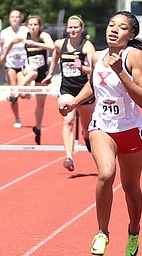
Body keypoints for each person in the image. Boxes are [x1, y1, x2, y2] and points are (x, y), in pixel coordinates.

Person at [59, 10, 142, 256]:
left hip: (130, 128)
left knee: (131, 187)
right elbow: (93, 85)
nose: (113, 29)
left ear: (131, 34)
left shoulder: (135, 56)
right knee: (106, 173)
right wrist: (75, 102)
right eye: (111, 24)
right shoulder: (99, 55)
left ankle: (133, 231)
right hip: (102, 126)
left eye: (121, 27)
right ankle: (102, 232)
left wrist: (121, 71)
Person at [41, 15, 95, 171]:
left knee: (87, 128)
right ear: (66, 29)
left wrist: (82, 68)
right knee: (68, 121)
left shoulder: (87, 47)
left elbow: (95, 70)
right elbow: (55, 55)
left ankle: (86, 137)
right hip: (67, 89)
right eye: (70, 27)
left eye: (76, 27)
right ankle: (69, 157)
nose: (73, 30)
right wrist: (50, 74)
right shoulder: (60, 43)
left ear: (82, 29)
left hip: (84, 91)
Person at [2, 14, 55, 144]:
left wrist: (35, 43)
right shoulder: (24, 36)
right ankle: (17, 92)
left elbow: (52, 46)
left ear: (39, 26)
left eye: (35, 25)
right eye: (30, 25)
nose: (33, 27)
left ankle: (37, 127)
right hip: (28, 68)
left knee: (40, 104)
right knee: (32, 72)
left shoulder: (43, 35)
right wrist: (4, 55)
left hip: (43, 72)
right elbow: (12, 42)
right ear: (27, 26)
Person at [0, 10, 29, 128]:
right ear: (9, 18)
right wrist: (1, 46)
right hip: (10, 64)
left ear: (21, 19)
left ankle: (25, 93)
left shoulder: (25, 31)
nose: (15, 19)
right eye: (12, 17)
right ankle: (17, 118)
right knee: (13, 94)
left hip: (23, 65)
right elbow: (1, 54)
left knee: (21, 93)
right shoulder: (4, 32)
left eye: (17, 17)